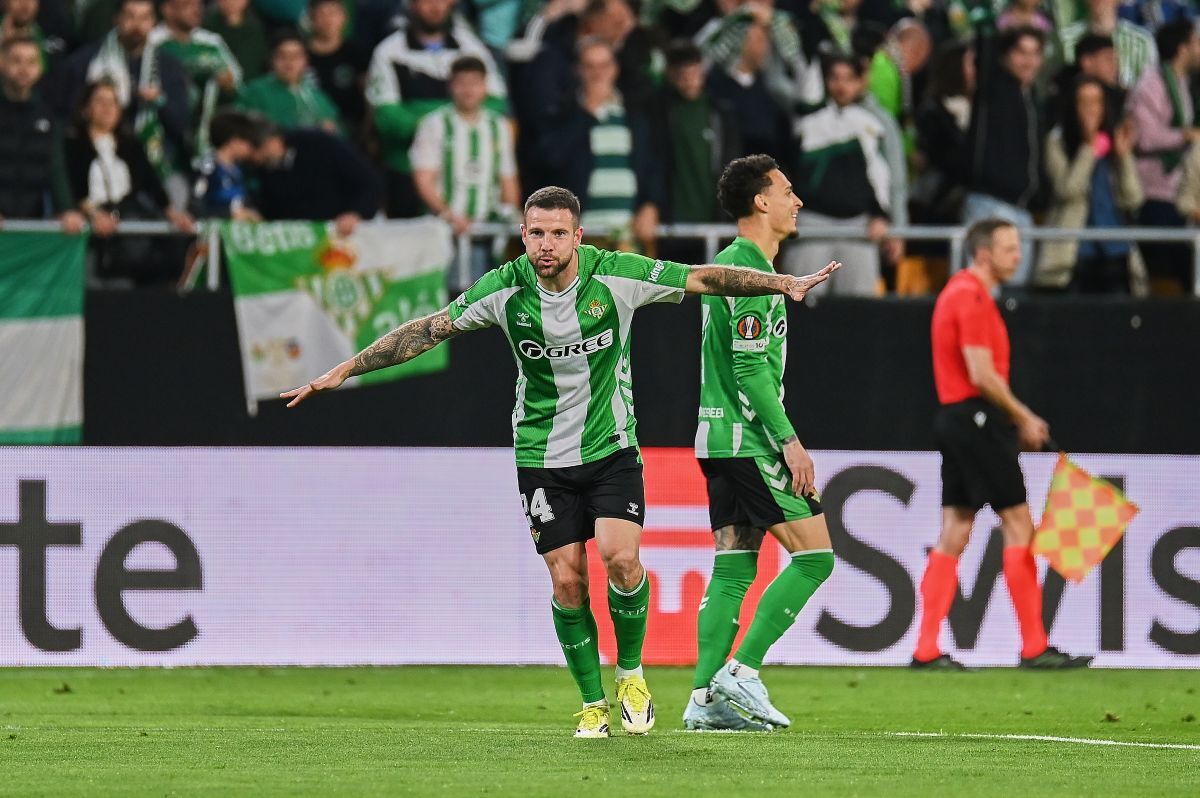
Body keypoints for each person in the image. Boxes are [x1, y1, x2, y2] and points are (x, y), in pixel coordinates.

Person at [280, 185, 840, 737]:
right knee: (567, 582)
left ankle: (631, 674)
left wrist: (780, 282)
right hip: (540, 456)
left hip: (612, 448)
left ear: (577, 237)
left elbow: (702, 277)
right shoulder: (503, 289)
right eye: (536, 234)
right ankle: (593, 703)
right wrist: (345, 369)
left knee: (622, 561)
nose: (546, 244)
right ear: (523, 236)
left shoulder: (615, 275)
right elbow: (427, 330)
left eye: (557, 234)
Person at [685, 154, 835, 732]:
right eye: (788, 192)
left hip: (714, 437)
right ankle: (741, 673)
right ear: (761, 202)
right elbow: (750, 374)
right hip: (747, 439)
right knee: (816, 556)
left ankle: (703, 702)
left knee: (733, 568)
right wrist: (790, 443)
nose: (797, 202)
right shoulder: (749, 272)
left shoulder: (732, 266)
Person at [912, 218, 1093, 671]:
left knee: (955, 527)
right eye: (1011, 248)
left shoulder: (958, 293)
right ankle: (1034, 646)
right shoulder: (972, 297)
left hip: (954, 419)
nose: (1019, 256)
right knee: (1017, 522)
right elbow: (982, 374)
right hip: (976, 420)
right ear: (985, 254)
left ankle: (926, 648)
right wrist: (1023, 416)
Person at [366, 0, 505, 218]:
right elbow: (386, 115)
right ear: (412, 5)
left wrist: (439, 117)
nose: (436, 7)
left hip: (467, 173)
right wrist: (441, 124)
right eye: (427, 1)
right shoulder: (389, 52)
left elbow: (497, 101)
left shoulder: (470, 46)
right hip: (406, 172)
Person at [64, 79, 194, 282]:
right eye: (100, 101)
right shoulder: (71, 146)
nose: (107, 108)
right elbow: (70, 186)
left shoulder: (131, 146)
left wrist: (172, 212)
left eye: (113, 102)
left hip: (128, 228)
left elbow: (151, 182)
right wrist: (94, 214)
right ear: (86, 108)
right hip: (88, 231)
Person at [410, 55, 519, 282]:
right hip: (447, 233)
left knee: (489, 301)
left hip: (487, 231)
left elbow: (508, 179)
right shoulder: (435, 124)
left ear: (485, 86)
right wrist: (449, 215)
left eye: (474, 83)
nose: (468, 90)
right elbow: (424, 179)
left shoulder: (498, 126)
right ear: (451, 86)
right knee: (452, 302)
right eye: (461, 83)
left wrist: (512, 215)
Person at [1034, 77, 1144, 292]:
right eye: (1083, 102)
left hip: (1116, 250)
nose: (1091, 109)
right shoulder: (1057, 143)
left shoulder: (1115, 143)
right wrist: (1088, 149)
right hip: (1074, 253)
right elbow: (1068, 190)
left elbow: (1134, 198)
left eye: (1096, 102)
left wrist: (1124, 157)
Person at [1126, 17, 1200, 294]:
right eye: (1196, 43)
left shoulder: (1180, 82)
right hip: (1153, 193)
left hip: (1174, 194)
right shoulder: (1152, 83)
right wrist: (1186, 136)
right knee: (1166, 277)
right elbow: (1144, 136)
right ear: (1183, 48)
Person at [0, 36, 83, 233]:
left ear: (40, 68)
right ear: (2, 63)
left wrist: (67, 209)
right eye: (17, 60)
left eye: (31, 62)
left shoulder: (49, 115)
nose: (24, 69)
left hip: (33, 225)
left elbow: (56, 168)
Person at [249, 118, 380, 236]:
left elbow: (368, 181)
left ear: (275, 141)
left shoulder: (320, 145)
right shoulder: (263, 169)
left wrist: (356, 213)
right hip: (299, 241)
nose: (255, 158)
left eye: (258, 149)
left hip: (340, 234)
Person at [237, 31, 342, 134]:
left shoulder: (316, 95)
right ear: (271, 59)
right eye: (282, 56)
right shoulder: (255, 92)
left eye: (296, 56)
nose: (289, 61)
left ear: (306, 60)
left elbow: (338, 132)